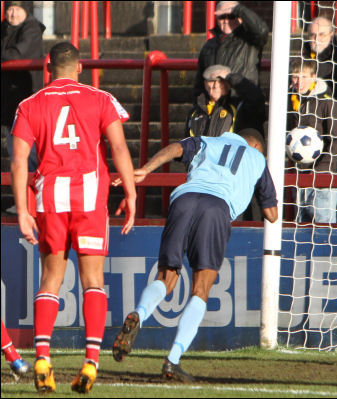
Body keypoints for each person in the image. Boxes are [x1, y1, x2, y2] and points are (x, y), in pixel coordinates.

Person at [10, 42, 136, 393]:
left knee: (51, 278)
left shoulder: (29, 105)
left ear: (47, 67)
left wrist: (22, 210)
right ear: (81, 68)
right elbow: (120, 148)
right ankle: (91, 362)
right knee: (92, 280)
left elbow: (19, 161)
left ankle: (42, 357)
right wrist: (131, 192)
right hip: (89, 195)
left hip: (50, 197)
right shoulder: (101, 98)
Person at [112, 128, 278, 381]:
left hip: (184, 199)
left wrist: (146, 168)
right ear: (256, 146)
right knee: (201, 289)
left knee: (166, 277)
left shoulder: (208, 141)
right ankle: (173, 360)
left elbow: (177, 147)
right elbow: (271, 214)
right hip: (217, 207)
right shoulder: (257, 159)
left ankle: (140, 313)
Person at [287, 58, 337, 223]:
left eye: (304, 76)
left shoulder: (327, 101)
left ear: (313, 76)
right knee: (300, 225)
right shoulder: (290, 100)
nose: (299, 82)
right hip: (299, 174)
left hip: (322, 177)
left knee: (322, 226)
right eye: (295, 77)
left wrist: (322, 169)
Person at [1, 0, 45, 213]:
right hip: (10, 105)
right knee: (16, 153)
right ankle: (24, 201)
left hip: (28, 102)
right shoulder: (5, 28)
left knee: (31, 155)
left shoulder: (32, 28)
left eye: (17, 8)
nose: (12, 14)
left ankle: (36, 200)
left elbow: (15, 55)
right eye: (9, 9)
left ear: (25, 10)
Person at [193, 1, 269, 99]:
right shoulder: (209, 45)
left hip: (243, 102)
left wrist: (239, 9)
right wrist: (199, 106)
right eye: (222, 17)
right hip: (216, 105)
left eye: (231, 16)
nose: (226, 20)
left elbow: (262, 30)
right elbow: (199, 82)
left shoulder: (250, 40)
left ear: (240, 18)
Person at [185, 64, 266, 138]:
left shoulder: (239, 107)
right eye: (211, 81)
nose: (215, 85)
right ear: (205, 84)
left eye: (221, 81)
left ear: (229, 84)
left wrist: (231, 77)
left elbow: (256, 98)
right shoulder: (195, 112)